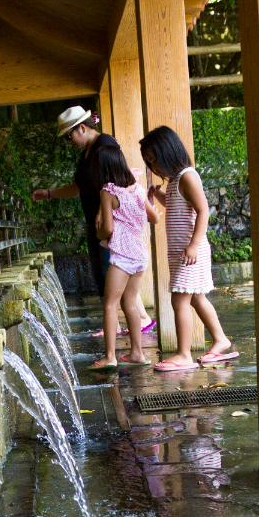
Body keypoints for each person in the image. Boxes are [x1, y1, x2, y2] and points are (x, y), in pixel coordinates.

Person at [32, 106, 154, 333]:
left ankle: (140, 319)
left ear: (82, 128)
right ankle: (116, 324)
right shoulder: (87, 153)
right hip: (95, 220)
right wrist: (50, 193)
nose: (68, 142)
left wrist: (102, 210)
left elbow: (117, 182)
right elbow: (81, 187)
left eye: (68, 136)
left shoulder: (105, 146)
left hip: (109, 221)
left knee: (115, 269)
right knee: (103, 271)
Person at [139, 125, 238, 372]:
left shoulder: (187, 176)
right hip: (182, 252)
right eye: (149, 163)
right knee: (195, 297)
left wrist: (194, 245)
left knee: (179, 299)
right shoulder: (174, 182)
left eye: (155, 160)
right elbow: (175, 205)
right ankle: (220, 339)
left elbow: (203, 210)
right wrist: (159, 194)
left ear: (169, 152)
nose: (154, 167)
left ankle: (183, 354)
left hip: (191, 251)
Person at [88, 145, 161, 369]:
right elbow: (154, 218)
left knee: (110, 304)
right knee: (129, 302)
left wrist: (97, 231)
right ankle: (137, 353)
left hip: (122, 257)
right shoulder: (137, 189)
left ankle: (110, 356)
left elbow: (108, 229)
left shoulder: (108, 192)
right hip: (140, 256)